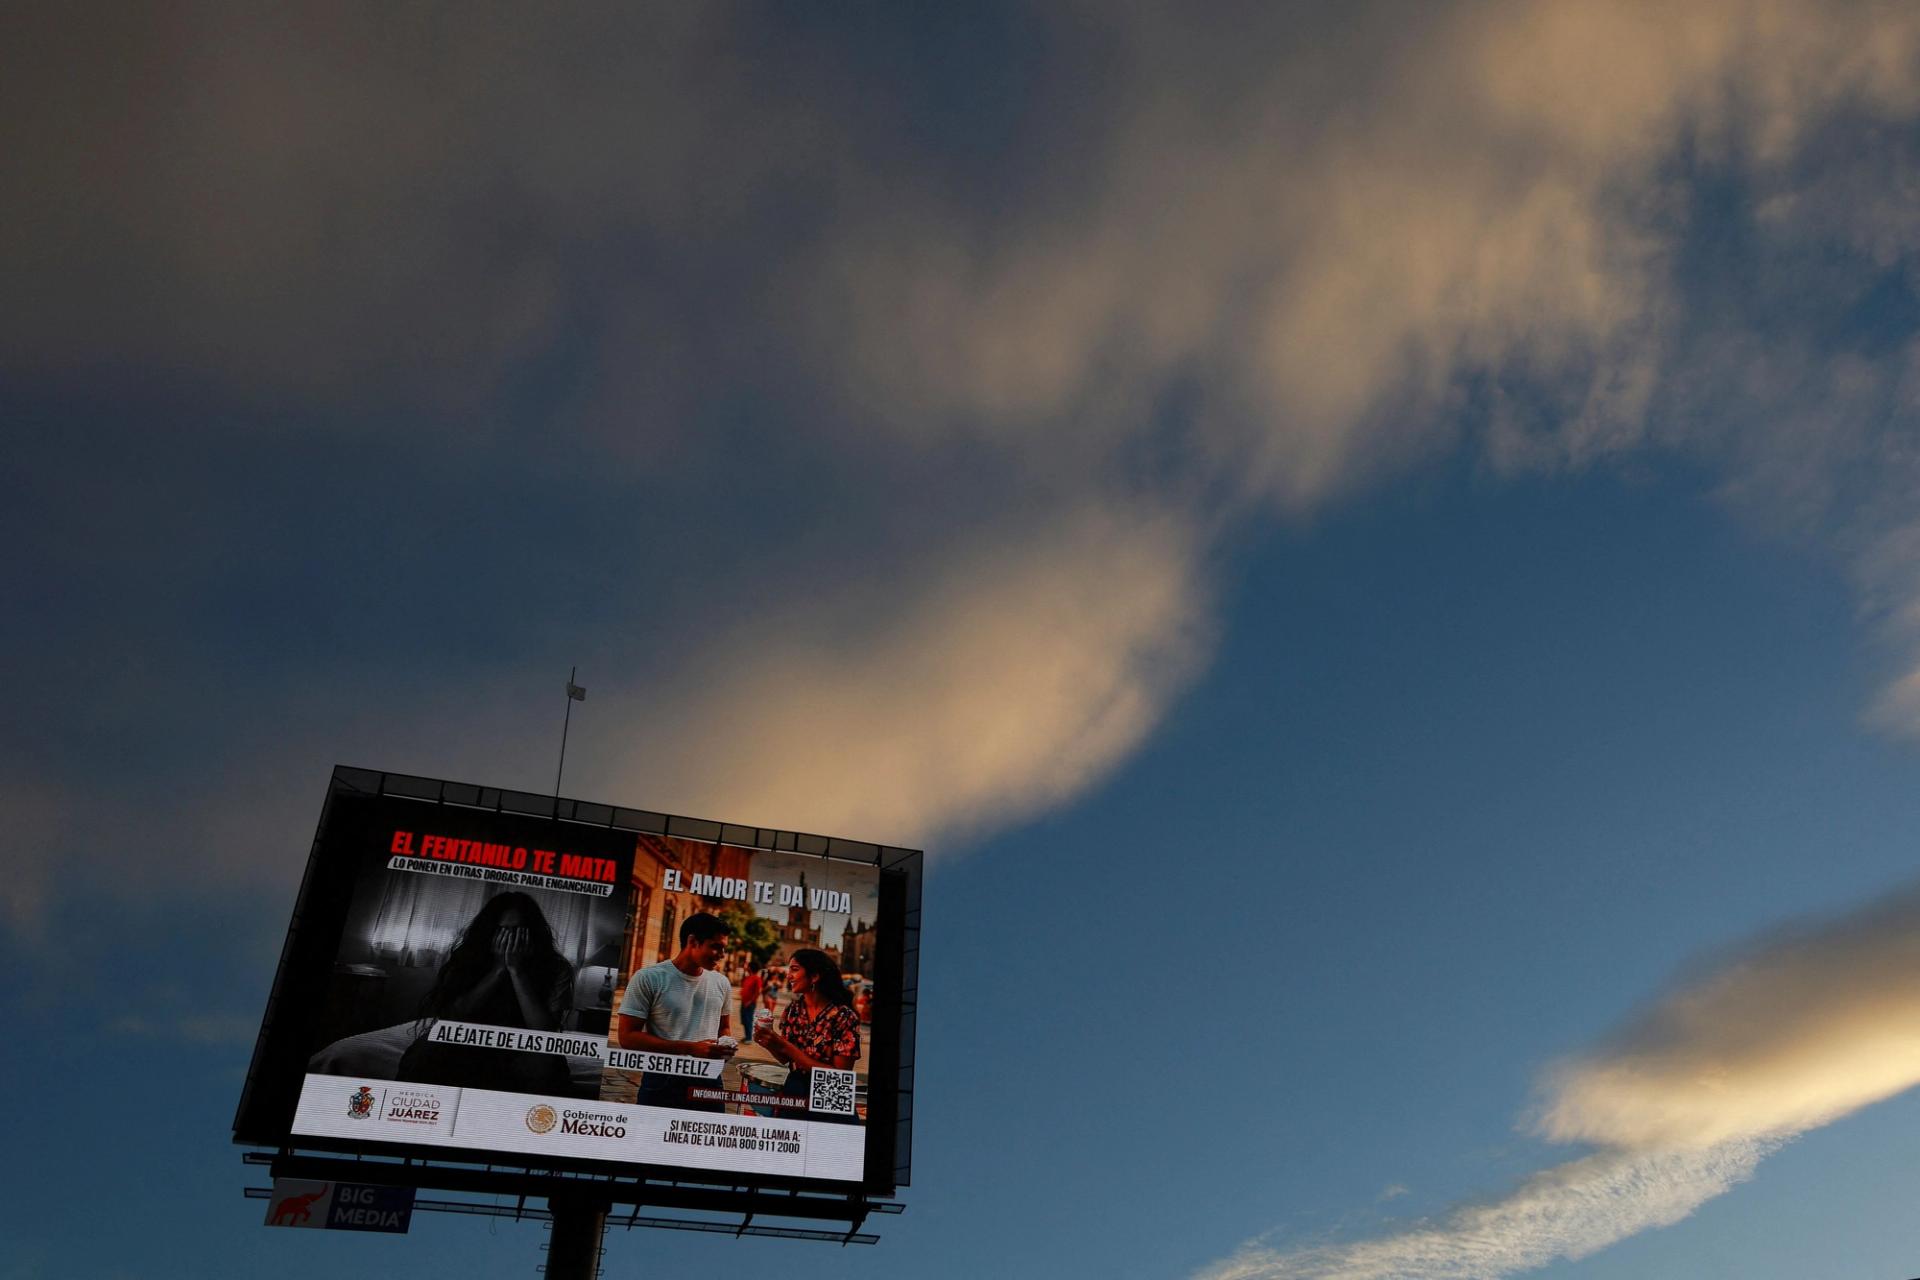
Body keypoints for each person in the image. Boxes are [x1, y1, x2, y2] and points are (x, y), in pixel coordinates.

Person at [395, 891, 575, 1094]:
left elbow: (543, 1031)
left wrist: (516, 971)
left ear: (533, 932)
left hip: (524, 1045)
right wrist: (498, 970)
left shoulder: (557, 968)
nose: (510, 939)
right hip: (472, 1038)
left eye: (519, 931)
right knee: (424, 1053)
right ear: (490, 931)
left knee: (546, 1068)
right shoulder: (468, 957)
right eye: (503, 930)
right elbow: (451, 1016)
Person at [616, 912, 737, 1110]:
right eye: (716, 946)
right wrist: (690, 1048)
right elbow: (627, 1037)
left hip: (709, 1079)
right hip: (662, 1079)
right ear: (692, 941)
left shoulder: (721, 983)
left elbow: (724, 1027)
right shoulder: (649, 978)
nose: (722, 955)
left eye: (724, 948)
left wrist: (725, 1044)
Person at [754, 948, 861, 1124]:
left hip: (830, 1091)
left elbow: (840, 1074)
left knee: (825, 1146)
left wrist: (782, 1044)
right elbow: (786, 1059)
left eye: (795, 969)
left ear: (814, 976)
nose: (788, 976)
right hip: (795, 1087)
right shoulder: (793, 1011)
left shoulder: (844, 1016)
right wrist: (769, 1042)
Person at [738, 967, 765, 1042]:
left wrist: (750, 1001)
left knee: (748, 1020)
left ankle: (749, 1038)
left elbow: (758, 991)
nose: (746, 968)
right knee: (744, 1020)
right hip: (744, 1002)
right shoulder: (748, 977)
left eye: (748, 966)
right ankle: (747, 1036)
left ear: (751, 968)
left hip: (750, 1003)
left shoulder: (757, 979)